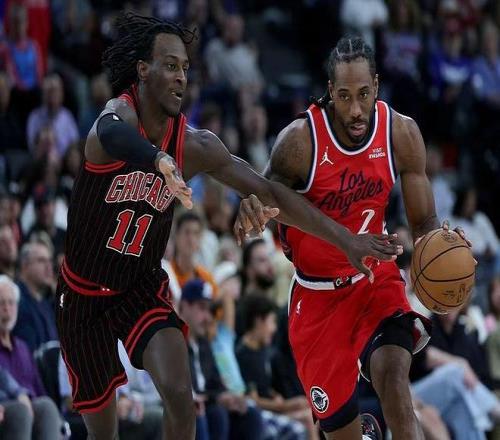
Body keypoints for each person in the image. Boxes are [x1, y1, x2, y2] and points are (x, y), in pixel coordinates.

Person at [56, 14, 400, 439]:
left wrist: (346, 240)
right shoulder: (118, 118)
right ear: (143, 70)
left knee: (182, 398)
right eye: (170, 65)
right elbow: (107, 132)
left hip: (139, 287)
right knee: (103, 434)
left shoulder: (195, 145)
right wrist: (156, 159)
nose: (181, 76)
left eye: (185, 67)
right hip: (83, 294)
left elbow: (270, 192)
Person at [234, 36, 471, 440]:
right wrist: (252, 208)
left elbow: (424, 221)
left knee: (394, 382)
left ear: (376, 86)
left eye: (363, 94)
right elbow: (267, 199)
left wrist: (442, 249)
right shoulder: (300, 141)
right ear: (330, 91)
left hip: (374, 282)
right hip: (317, 297)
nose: (356, 109)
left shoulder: (400, 133)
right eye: (344, 96)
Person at [0, 275, 62, 439]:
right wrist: (20, 397)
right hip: (8, 408)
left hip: (32, 410)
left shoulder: (23, 348)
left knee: (47, 405)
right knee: (21, 411)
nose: (7, 308)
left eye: (11, 303)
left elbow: (39, 389)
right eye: (1, 303)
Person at [13, 241, 58, 352]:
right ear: (25, 265)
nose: (49, 267)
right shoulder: (14, 300)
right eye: (41, 260)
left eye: (50, 261)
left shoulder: (46, 303)